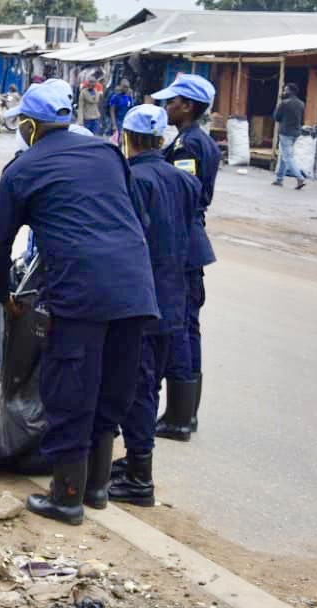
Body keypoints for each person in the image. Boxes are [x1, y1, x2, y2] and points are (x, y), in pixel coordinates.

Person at [0, 79, 159, 525]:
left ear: (29, 124)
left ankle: (66, 498)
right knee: (114, 388)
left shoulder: (23, 169)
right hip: (136, 289)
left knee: (71, 391)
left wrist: (3, 294)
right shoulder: (107, 153)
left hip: (81, 294)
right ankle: (97, 489)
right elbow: (137, 217)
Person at [107, 105, 200, 507]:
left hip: (142, 299)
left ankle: (140, 476)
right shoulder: (184, 181)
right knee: (151, 381)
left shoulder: (130, 179)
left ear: (126, 137)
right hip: (174, 296)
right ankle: (133, 462)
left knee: (139, 387)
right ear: (161, 139)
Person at [154, 73, 220, 440]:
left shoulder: (189, 146)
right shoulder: (192, 139)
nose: (167, 107)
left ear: (189, 106)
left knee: (179, 327)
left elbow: (183, 194)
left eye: (172, 102)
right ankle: (183, 414)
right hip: (190, 242)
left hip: (182, 243)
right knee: (188, 327)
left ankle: (179, 418)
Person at [272, 82, 308, 189]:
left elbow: (276, 117)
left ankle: (299, 177)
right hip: (296, 133)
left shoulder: (284, 103)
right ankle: (279, 180)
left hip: (285, 132)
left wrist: (279, 104)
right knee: (284, 155)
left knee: (288, 157)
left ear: (290, 91)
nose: (284, 91)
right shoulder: (302, 104)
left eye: (285, 90)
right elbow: (302, 120)